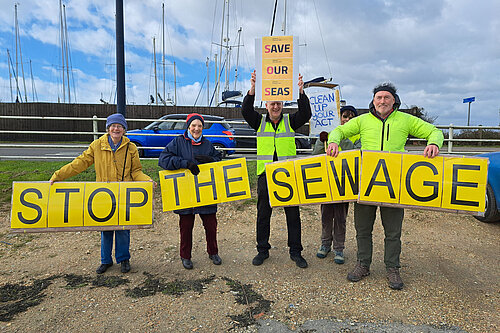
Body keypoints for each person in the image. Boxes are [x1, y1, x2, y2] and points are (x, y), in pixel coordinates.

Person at [327, 83, 443, 289]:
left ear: (394, 101)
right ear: (373, 101)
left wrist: (434, 143)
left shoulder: (406, 120)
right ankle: (363, 264)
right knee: (363, 228)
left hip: (394, 186)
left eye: (386, 98)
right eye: (378, 97)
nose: (382, 101)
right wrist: (333, 142)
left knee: (393, 231)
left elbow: (434, 131)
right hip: (366, 185)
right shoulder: (362, 121)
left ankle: (393, 268)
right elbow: (338, 131)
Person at [50, 113, 153, 274]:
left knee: (124, 228)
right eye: (113, 126)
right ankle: (106, 260)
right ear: (108, 128)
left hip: (123, 195)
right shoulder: (97, 145)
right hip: (103, 195)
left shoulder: (131, 147)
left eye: (119, 126)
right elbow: (80, 163)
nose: (116, 129)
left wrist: (146, 180)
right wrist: (58, 175)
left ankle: (124, 259)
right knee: (105, 229)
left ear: (124, 129)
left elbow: (136, 171)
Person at [242, 70, 312, 268]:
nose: (275, 106)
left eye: (278, 103)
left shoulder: (291, 121)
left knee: (293, 214)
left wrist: (300, 92)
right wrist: (253, 90)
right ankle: (262, 250)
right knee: (263, 214)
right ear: (266, 105)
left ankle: (296, 251)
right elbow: (246, 111)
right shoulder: (259, 121)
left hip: (288, 174)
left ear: (282, 105)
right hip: (265, 175)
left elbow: (306, 113)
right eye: (272, 103)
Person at [158, 113, 223, 270]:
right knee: (186, 226)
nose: (196, 128)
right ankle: (185, 255)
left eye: (199, 126)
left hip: (206, 191)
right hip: (185, 192)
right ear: (188, 127)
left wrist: (212, 161)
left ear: (202, 128)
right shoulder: (178, 142)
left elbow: (218, 161)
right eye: (193, 125)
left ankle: (213, 252)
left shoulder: (208, 144)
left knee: (211, 224)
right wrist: (184, 163)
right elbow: (163, 159)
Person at [313, 106, 360, 264]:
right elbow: (315, 156)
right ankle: (325, 244)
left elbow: (356, 153)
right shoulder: (326, 132)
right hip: (327, 182)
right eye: (345, 116)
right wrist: (322, 141)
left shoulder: (357, 136)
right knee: (326, 215)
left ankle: (339, 248)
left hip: (345, 184)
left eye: (351, 117)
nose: (347, 120)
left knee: (340, 217)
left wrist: (341, 137)